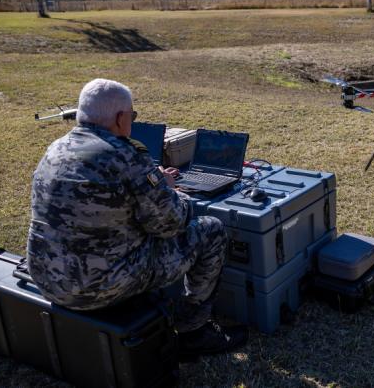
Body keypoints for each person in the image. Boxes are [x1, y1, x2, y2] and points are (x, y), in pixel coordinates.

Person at [27, 78, 245, 356]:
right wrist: (170, 191)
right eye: (133, 116)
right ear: (120, 118)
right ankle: (193, 332)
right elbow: (171, 223)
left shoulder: (54, 149)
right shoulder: (125, 156)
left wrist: (153, 185)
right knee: (210, 230)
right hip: (99, 288)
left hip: (48, 279)